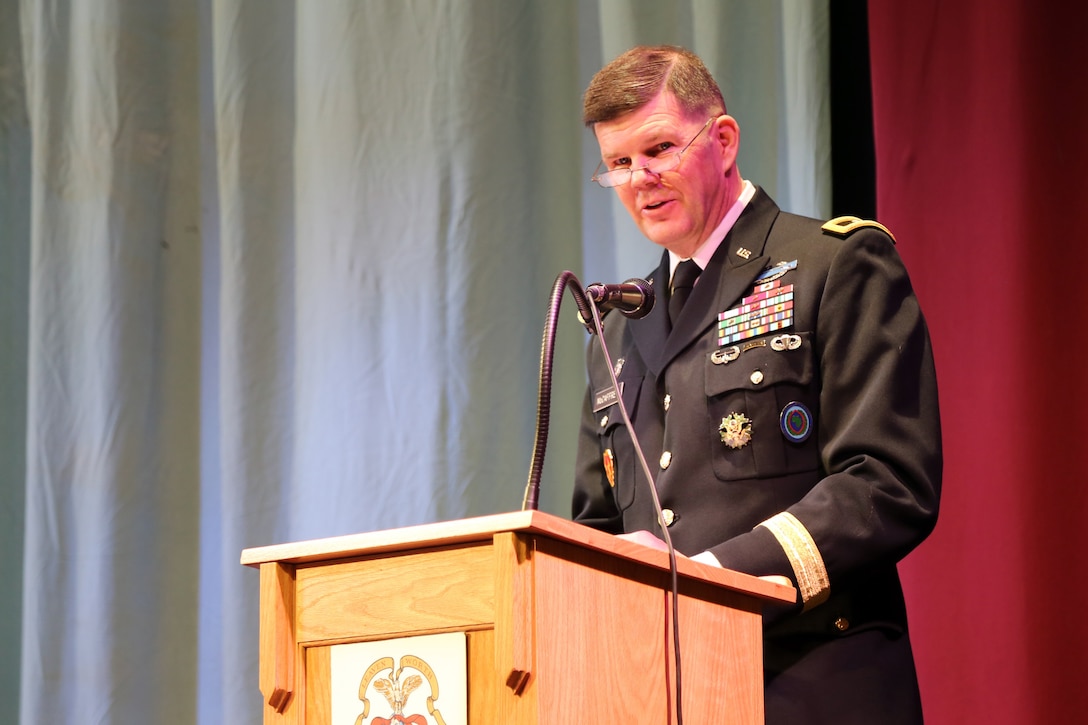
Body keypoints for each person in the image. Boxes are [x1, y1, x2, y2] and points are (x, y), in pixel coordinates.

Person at [572, 45, 941, 724]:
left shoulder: (834, 264)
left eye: (659, 148)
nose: (639, 179)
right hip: (662, 696)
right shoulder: (618, 328)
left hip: (811, 686)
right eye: (619, 164)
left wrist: (709, 574)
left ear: (723, 139)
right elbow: (595, 528)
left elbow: (887, 482)